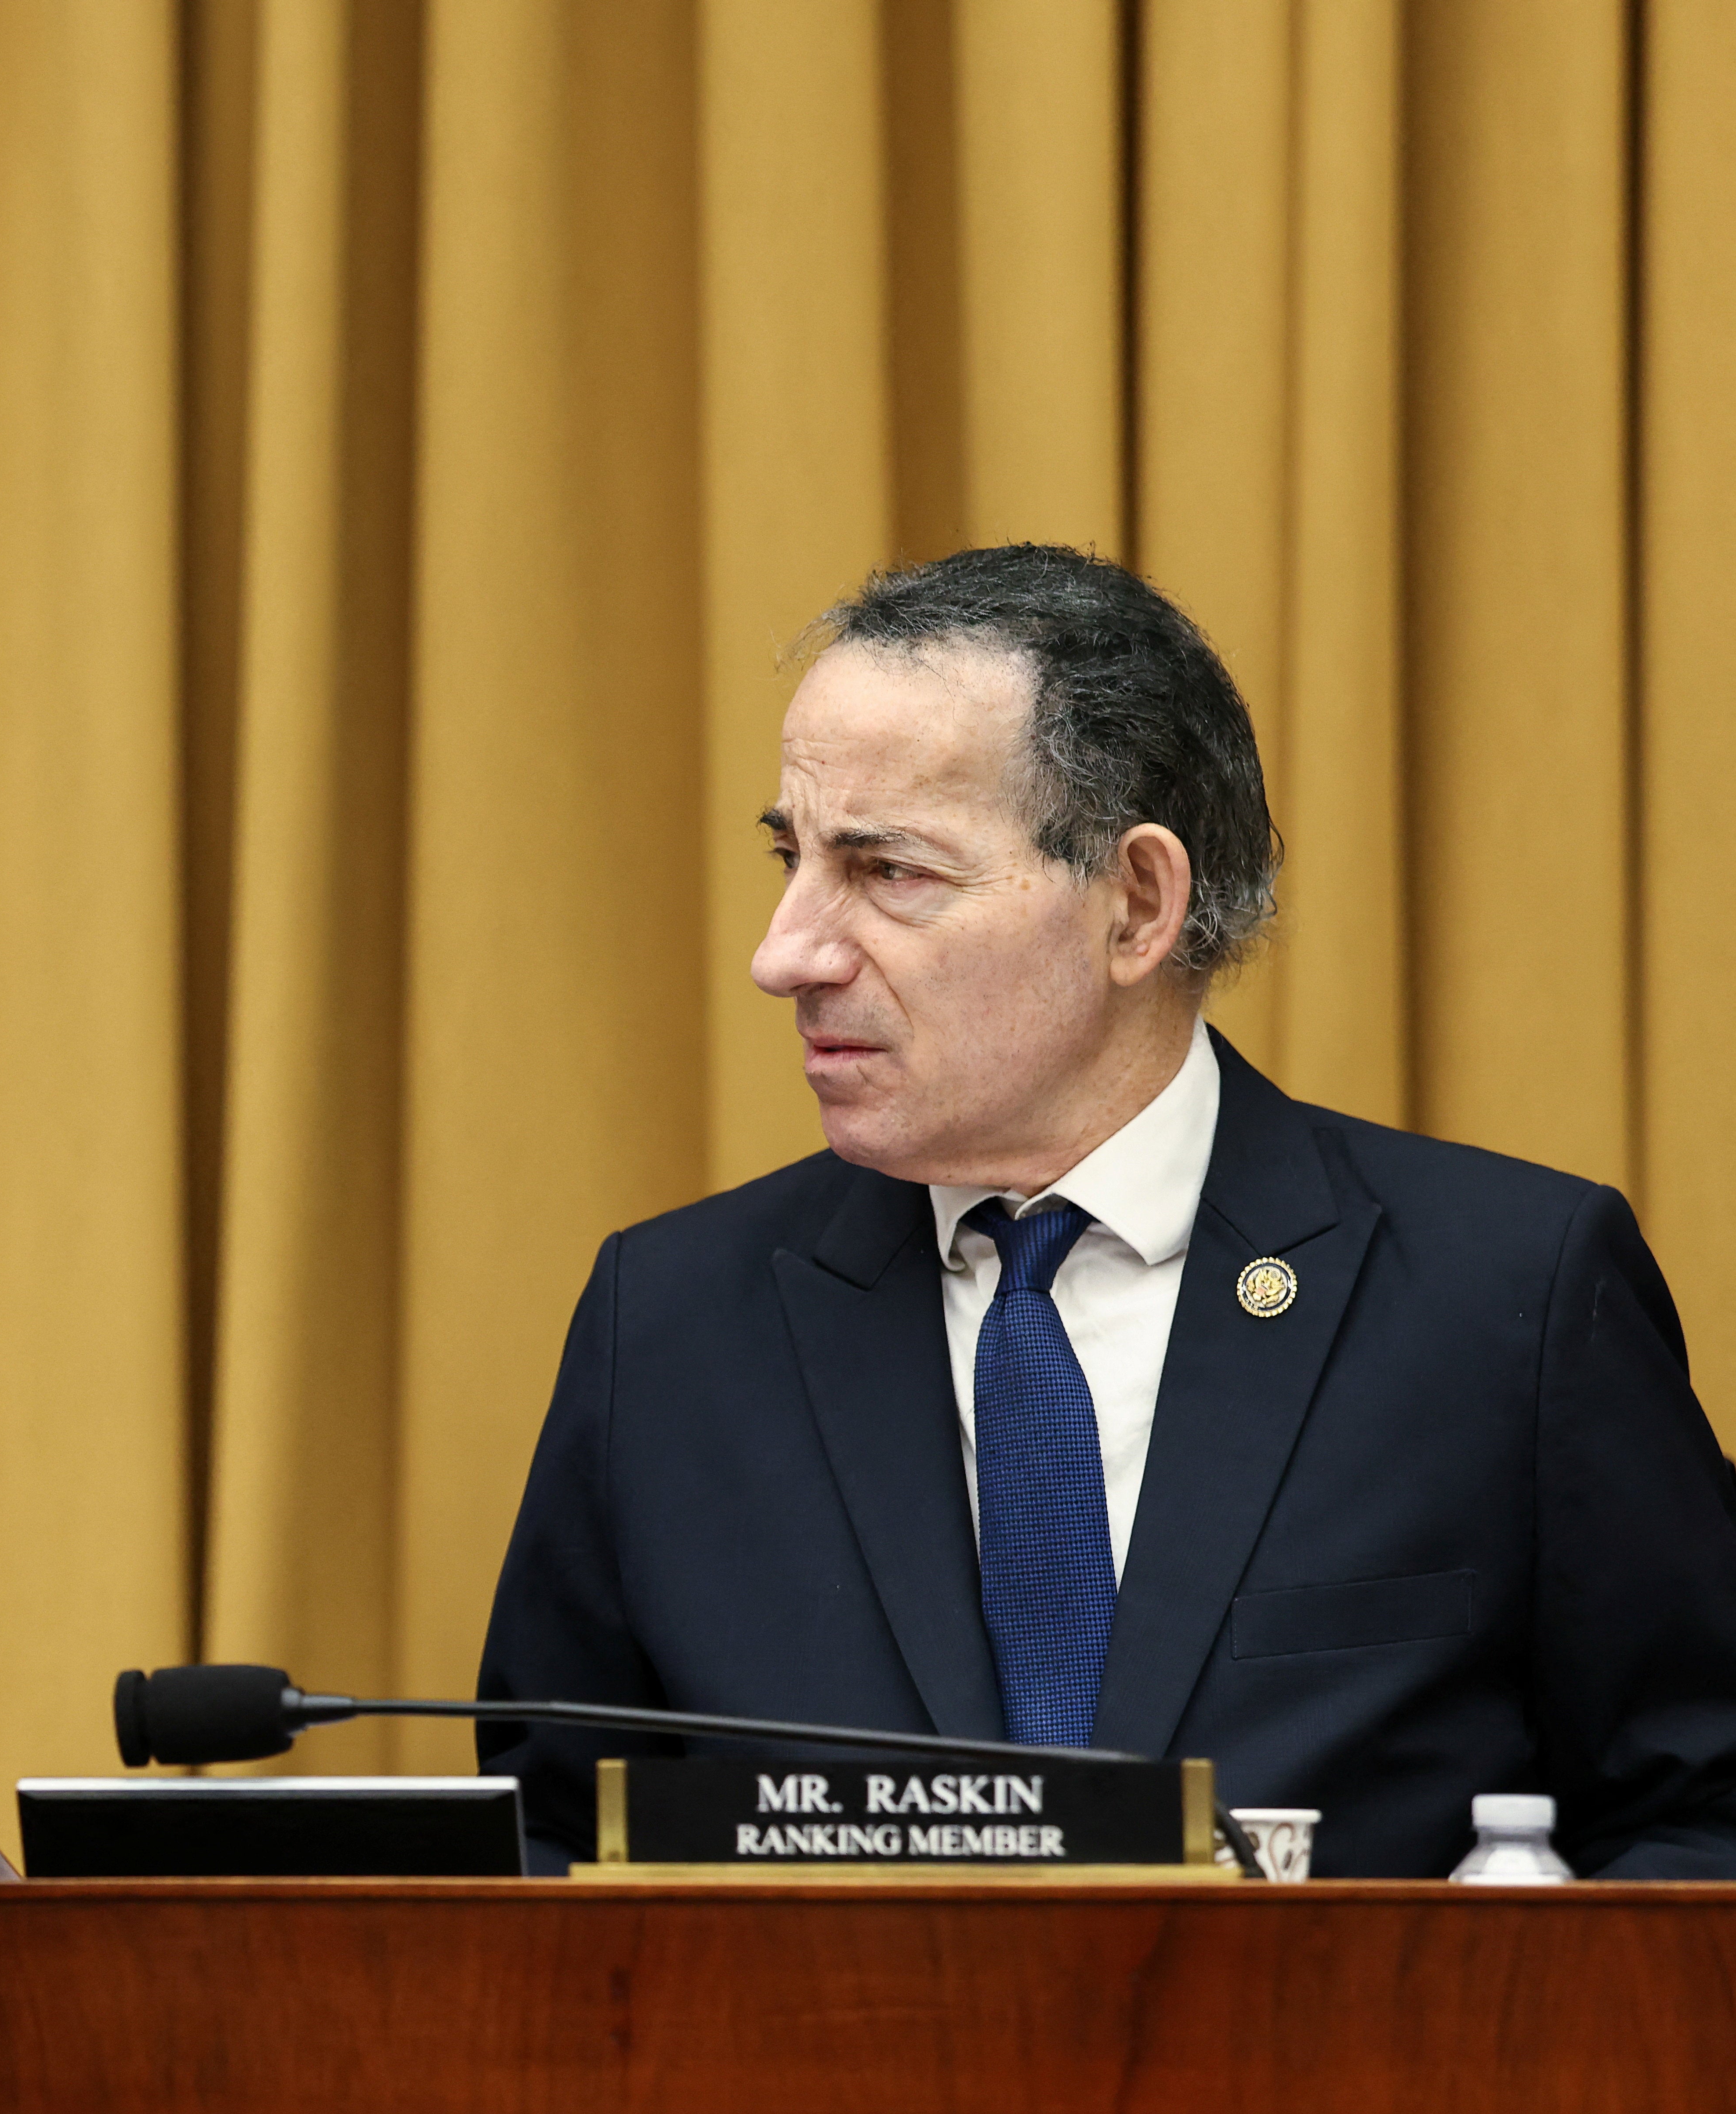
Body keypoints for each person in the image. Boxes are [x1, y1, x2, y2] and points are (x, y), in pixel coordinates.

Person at [477, 542, 1736, 1878]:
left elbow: (1705, 1815)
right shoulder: (670, 1326)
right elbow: (545, 1852)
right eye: (792, 857)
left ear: (1136, 905)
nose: (784, 952)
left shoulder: (1509, 1297)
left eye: (888, 871)